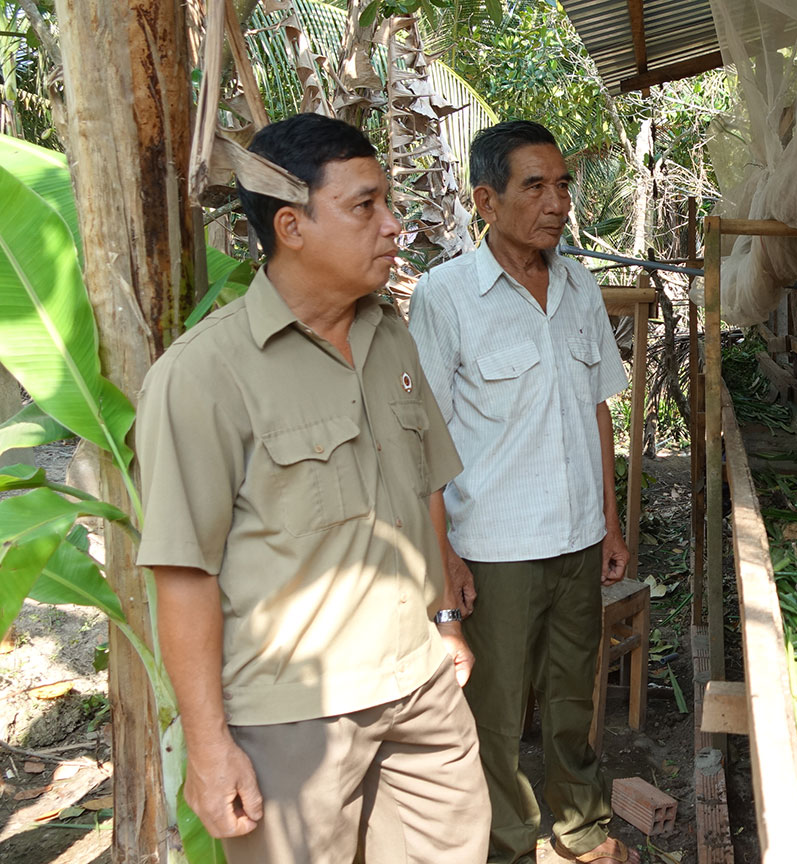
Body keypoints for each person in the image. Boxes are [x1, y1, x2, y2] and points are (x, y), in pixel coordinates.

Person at [135, 112, 489, 863]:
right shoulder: (203, 377)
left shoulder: (387, 332)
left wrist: (446, 617)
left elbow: (421, 480)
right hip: (296, 718)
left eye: (386, 203)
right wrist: (209, 748)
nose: (393, 225)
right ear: (291, 227)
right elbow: (184, 573)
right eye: (365, 207)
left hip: (421, 686)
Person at [408, 120, 638, 864]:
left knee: (574, 701)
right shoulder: (446, 298)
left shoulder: (578, 285)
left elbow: (599, 409)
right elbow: (426, 438)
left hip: (576, 540)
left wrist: (609, 524)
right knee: (497, 718)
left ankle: (580, 832)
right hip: (494, 549)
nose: (558, 203)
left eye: (563, 184)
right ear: (486, 199)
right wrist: (441, 552)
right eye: (534, 186)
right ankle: (506, 846)